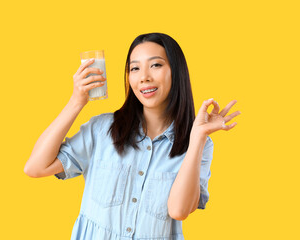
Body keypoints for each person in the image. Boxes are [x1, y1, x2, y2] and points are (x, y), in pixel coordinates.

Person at [24, 32, 241, 240]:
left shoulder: (199, 144)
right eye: (134, 68)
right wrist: (76, 101)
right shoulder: (103, 129)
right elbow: (35, 167)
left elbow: (179, 210)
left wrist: (198, 137)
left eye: (156, 65)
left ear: (176, 71)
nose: (144, 77)